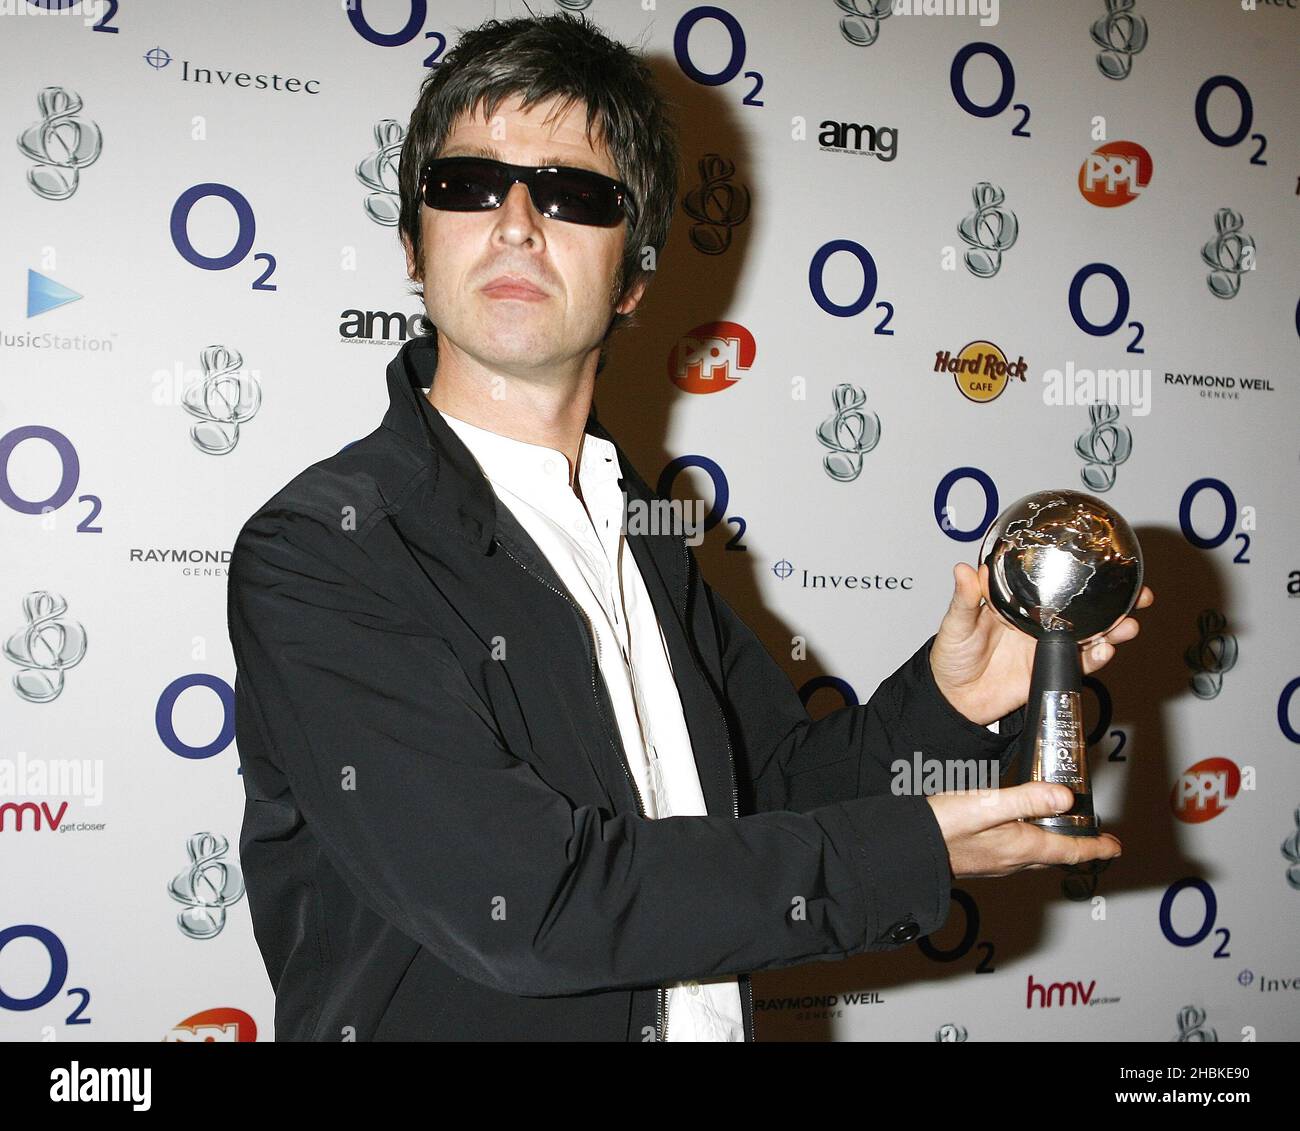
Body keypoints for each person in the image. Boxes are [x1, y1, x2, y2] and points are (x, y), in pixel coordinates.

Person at [226, 12, 1153, 1042]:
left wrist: (951, 700)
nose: (519, 221)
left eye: (576, 195)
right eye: (469, 184)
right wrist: (912, 853)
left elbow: (774, 800)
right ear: (412, 241)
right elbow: (527, 905)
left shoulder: (647, 539)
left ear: (635, 277)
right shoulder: (326, 552)